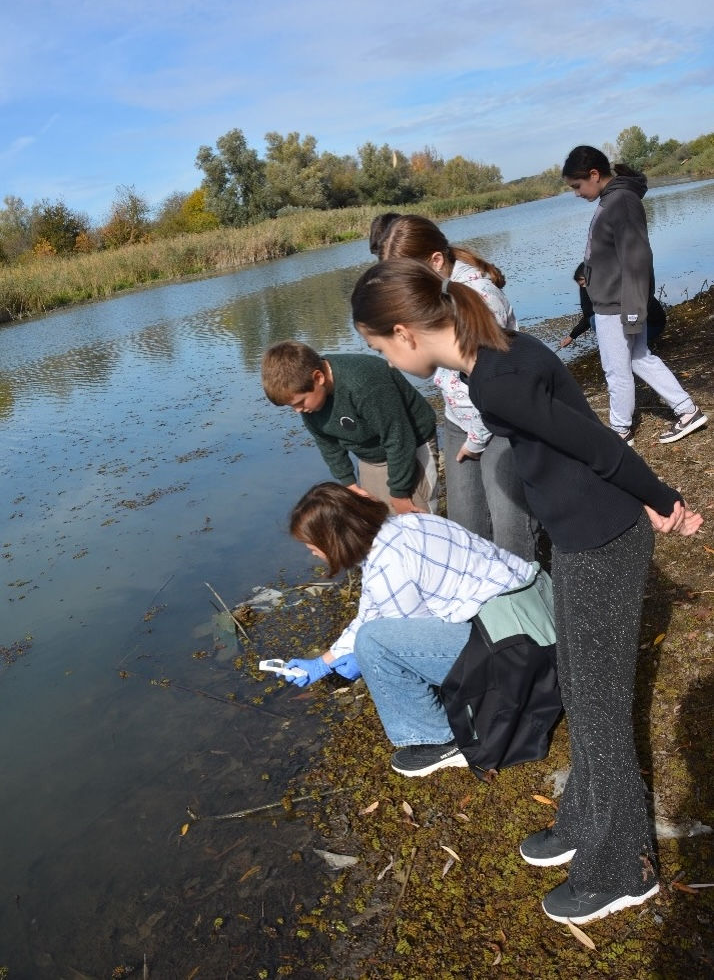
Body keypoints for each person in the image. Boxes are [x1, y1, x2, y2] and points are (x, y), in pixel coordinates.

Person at [350, 257, 703, 925]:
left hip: (603, 539)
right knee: (578, 681)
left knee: (597, 709)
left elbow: (597, 443)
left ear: (404, 331)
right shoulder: (491, 355)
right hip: (579, 536)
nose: (388, 363)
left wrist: (664, 499)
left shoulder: (497, 380)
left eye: (379, 349)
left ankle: (624, 866)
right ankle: (583, 821)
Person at [284, 482, 561, 779]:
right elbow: (370, 610)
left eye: (313, 546)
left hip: (514, 652)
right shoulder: (410, 524)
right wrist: (324, 661)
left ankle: (439, 739)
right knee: (372, 637)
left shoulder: (388, 567)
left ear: (335, 540)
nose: (312, 553)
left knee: (375, 643)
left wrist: (362, 656)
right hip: (538, 619)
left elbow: (393, 636)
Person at [380, 213, 537, 561]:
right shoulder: (432, 295)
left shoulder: (480, 297)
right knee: (466, 527)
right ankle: (483, 604)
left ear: (436, 260)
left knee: (510, 528)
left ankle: (525, 600)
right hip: (458, 420)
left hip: (499, 424)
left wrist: (477, 440)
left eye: (409, 274)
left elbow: (490, 380)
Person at [562, 146, 706, 445]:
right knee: (639, 358)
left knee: (616, 370)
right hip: (611, 302)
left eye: (577, 186)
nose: (576, 193)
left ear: (594, 174)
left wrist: (632, 309)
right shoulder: (611, 200)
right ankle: (687, 411)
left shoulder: (621, 202)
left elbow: (637, 260)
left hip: (617, 305)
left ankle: (620, 430)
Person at [262, 340, 438, 514]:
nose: (298, 411)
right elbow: (327, 443)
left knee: (418, 521)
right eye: (291, 406)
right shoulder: (310, 402)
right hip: (370, 453)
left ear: (318, 378)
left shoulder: (364, 382)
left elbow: (398, 437)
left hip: (411, 445)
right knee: (378, 519)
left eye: (300, 403)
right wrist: (349, 484)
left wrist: (400, 494)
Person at [559, 264, 667, 350]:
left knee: (602, 319)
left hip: (652, 325)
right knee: (594, 319)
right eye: (581, 285)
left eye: (585, 284)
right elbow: (589, 313)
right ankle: (621, 347)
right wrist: (572, 336)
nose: (584, 288)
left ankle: (626, 347)